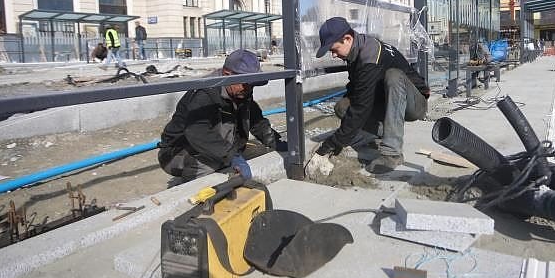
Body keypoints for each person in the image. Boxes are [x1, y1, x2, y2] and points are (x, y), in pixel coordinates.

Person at [308, 17, 430, 175]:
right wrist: (343, 136)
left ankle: (392, 154)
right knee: (343, 107)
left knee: (393, 76)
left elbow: (362, 107)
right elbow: (356, 92)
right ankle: (382, 133)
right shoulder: (355, 53)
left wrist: (331, 144)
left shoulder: (370, 54)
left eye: (334, 49)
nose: (333, 55)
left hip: (415, 103)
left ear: (347, 39)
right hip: (389, 100)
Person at [157, 49, 285, 184]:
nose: (249, 89)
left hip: (219, 146)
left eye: (252, 85)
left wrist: (275, 142)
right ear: (227, 74)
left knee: (262, 152)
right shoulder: (205, 94)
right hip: (177, 151)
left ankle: (224, 159)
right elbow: (198, 132)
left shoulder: (241, 92)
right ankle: (188, 189)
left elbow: (256, 121)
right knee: (212, 165)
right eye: (245, 84)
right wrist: (231, 156)